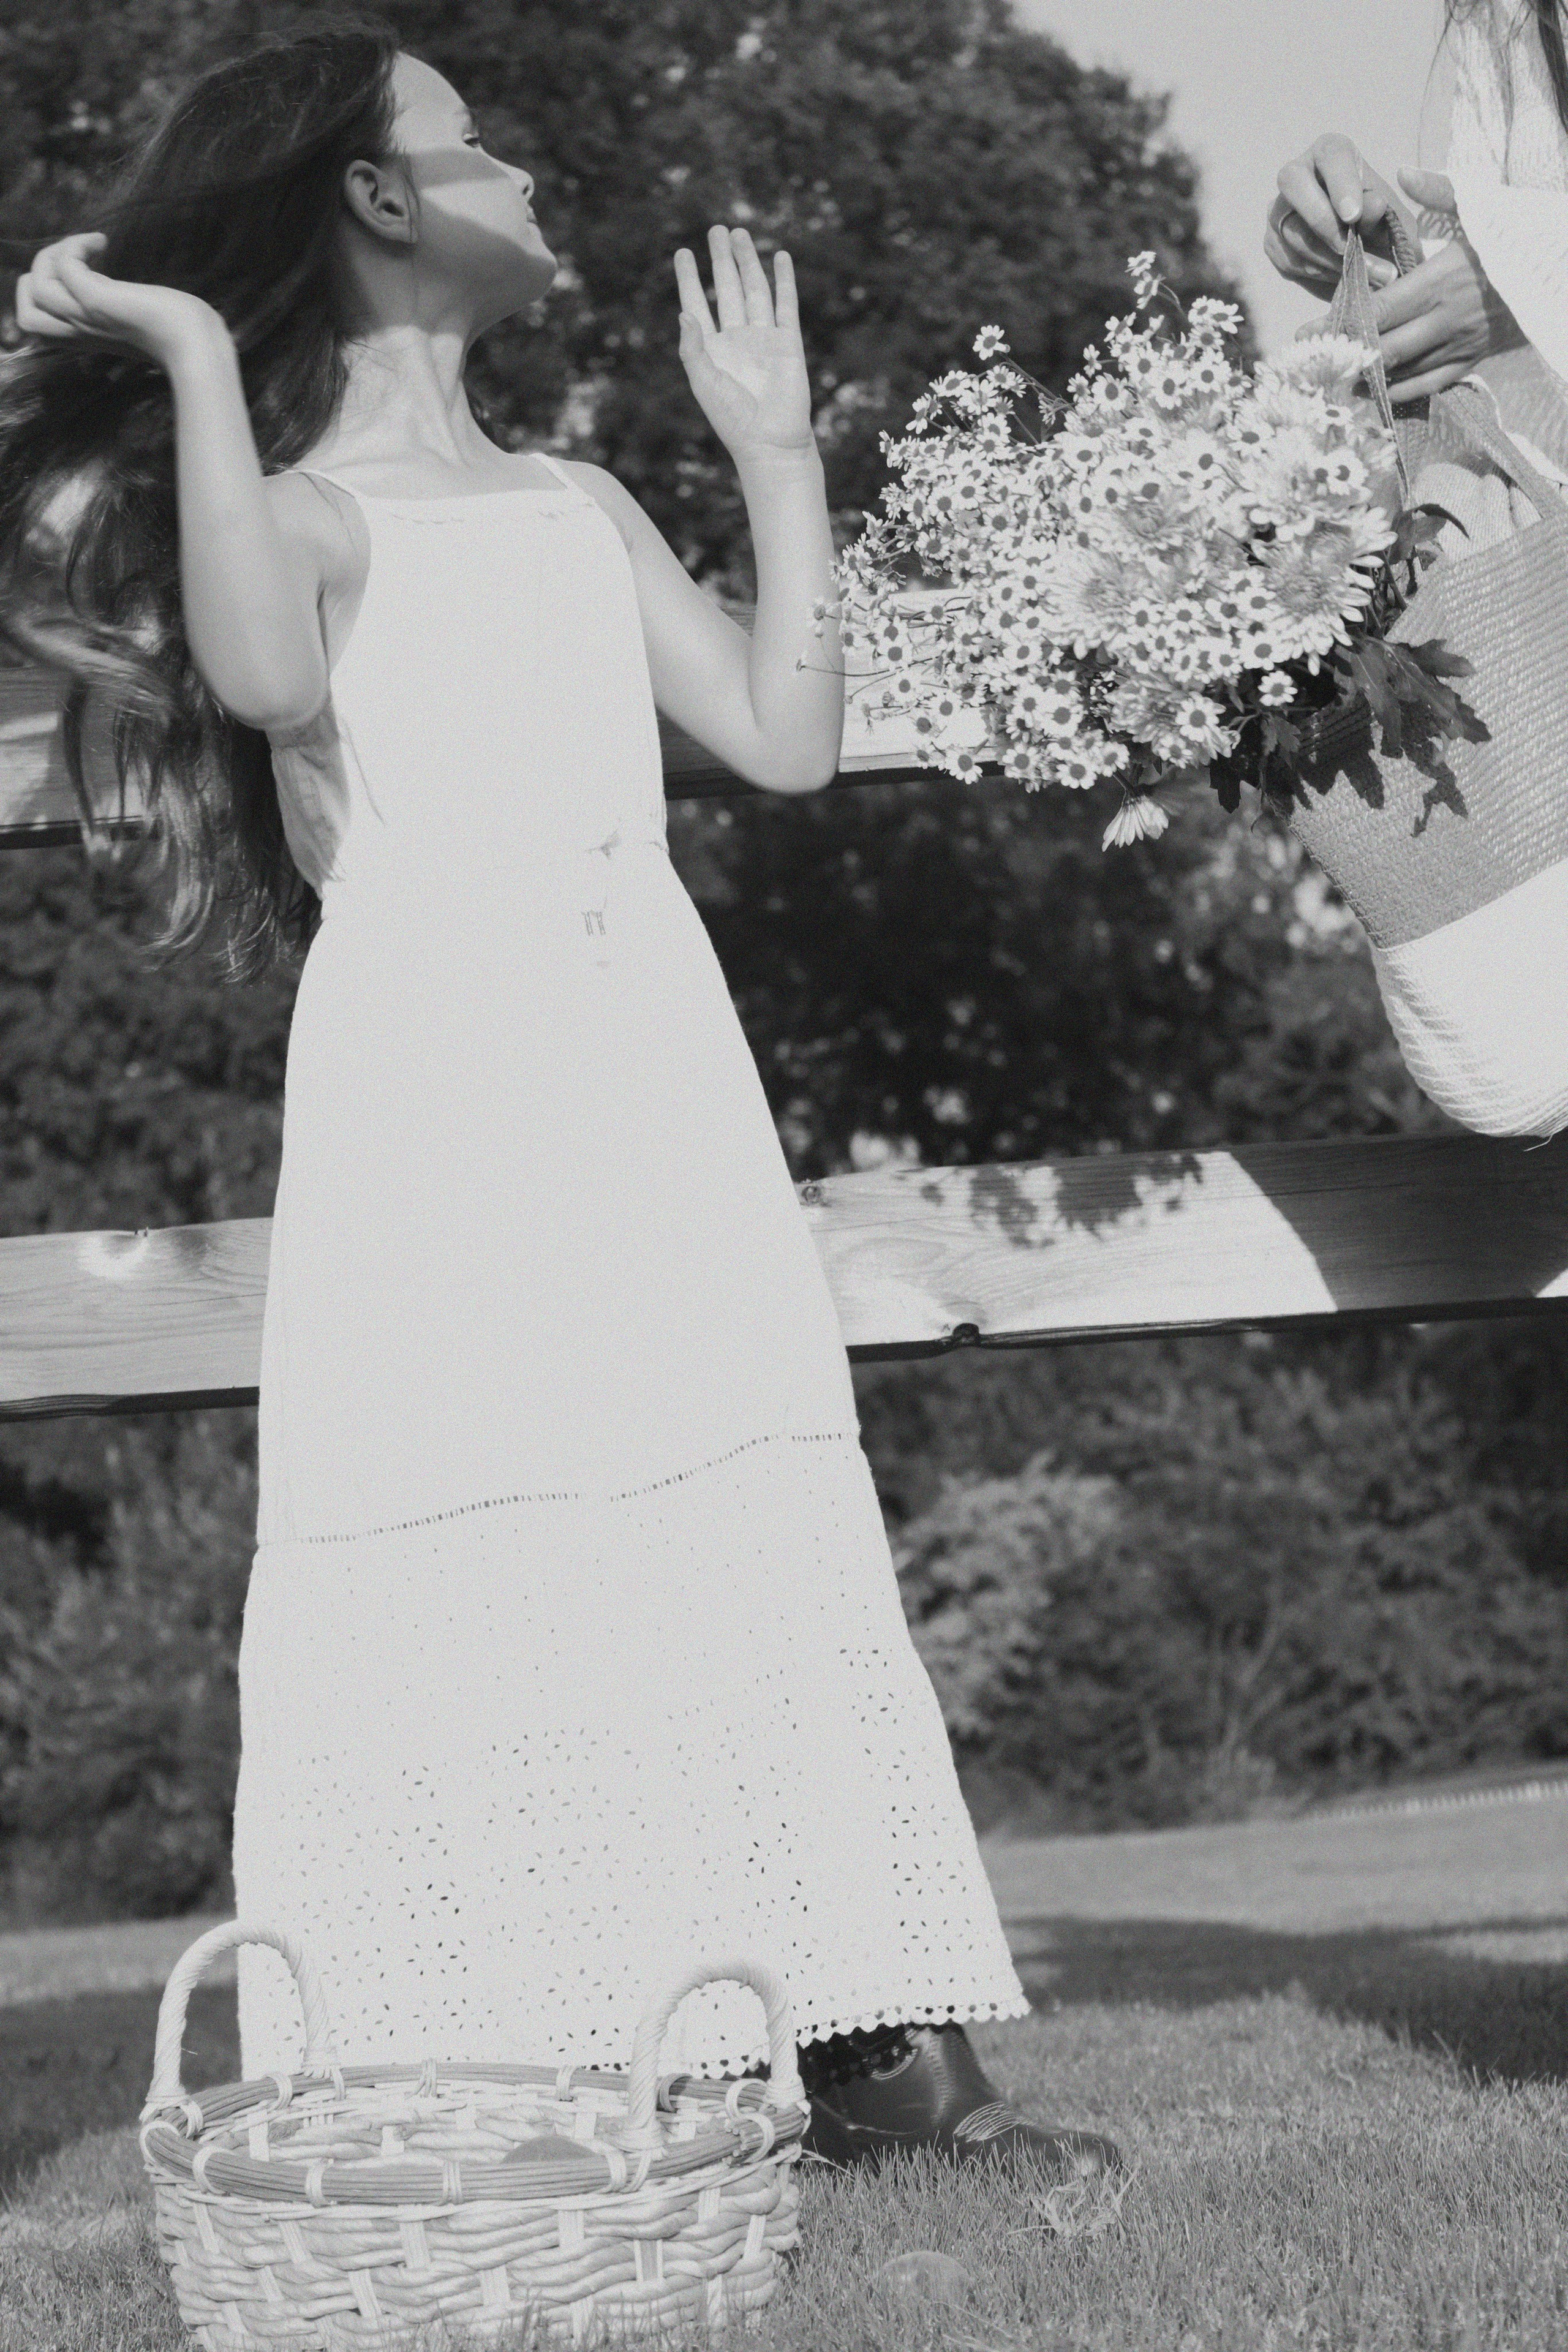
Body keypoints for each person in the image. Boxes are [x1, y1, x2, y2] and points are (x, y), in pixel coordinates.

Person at [2, 20, 1120, 2185]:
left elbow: (785, 740)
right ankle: (499, 2061)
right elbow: (260, 671)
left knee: (721, 1492)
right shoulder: (304, 517)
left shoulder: (579, 501)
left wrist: (774, 455)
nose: (518, 169)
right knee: (493, 1499)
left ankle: (876, 2057)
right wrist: (189, 349)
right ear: (376, 198)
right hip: (442, 1097)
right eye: (471, 141)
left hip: (650, 1071)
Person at [1265, 0, 1568, 475]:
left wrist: (1524, 277)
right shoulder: (1494, 11)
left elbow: (1511, 265)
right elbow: (1485, 236)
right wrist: (1399, 255)